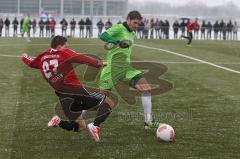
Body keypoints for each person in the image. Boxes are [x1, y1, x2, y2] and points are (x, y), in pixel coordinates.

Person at [21, 36, 115, 142]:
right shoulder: (64, 53)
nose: (67, 47)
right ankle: (95, 125)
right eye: (66, 46)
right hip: (76, 92)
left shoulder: (43, 57)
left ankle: (59, 120)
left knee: (81, 127)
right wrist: (98, 63)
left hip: (63, 97)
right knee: (109, 102)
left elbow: (31, 63)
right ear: (60, 46)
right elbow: (81, 57)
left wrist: (24, 57)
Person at [99, 11, 159, 129]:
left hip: (125, 68)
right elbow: (103, 36)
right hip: (112, 68)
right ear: (128, 19)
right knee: (99, 99)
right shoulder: (119, 28)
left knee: (146, 89)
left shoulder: (132, 33)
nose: (136, 25)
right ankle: (75, 116)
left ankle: (148, 121)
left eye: (138, 23)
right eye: (134, 22)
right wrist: (116, 42)